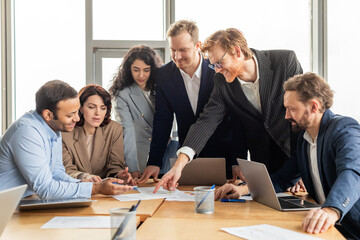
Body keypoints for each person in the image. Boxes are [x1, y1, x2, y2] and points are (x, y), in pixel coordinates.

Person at [154, 28, 303, 193]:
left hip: (295, 161)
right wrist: (179, 164)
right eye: (213, 65)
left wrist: (303, 170)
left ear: (237, 51)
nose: (216, 70)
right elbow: (206, 121)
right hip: (263, 165)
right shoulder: (222, 81)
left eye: (219, 63)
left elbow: (302, 117)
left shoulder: (285, 62)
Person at [215, 73, 360, 238]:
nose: (286, 116)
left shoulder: (344, 129)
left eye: (292, 109)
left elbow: (352, 171)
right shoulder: (304, 140)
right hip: (326, 228)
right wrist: (244, 189)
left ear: (314, 106)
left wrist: (331, 210)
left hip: (352, 229)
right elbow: (282, 179)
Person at [139, 20, 236, 183]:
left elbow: (234, 119)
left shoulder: (218, 70)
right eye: (173, 50)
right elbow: (163, 120)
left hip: (223, 156)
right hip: (186, 159)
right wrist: (154, 161)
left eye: (183, 50)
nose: (177, 56)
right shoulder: (164, 75)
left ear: (198, 45)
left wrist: (236, 160)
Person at [0, 80, 133, 199]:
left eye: (76, 112)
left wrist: (83, 183)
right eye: (71, 115)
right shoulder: (27, 132)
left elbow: (57, 173)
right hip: (6, 206)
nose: (77, 118)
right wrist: (95, 188)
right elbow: (46, 188)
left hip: (25, 199)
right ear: (48, 115)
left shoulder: (54, 128)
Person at [109, 45, 178, 179]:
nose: (141, 75)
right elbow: (127, 130)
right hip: (140, 153)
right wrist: (132, 167)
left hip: (168, 149)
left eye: (146, 70)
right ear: (129, 69)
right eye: (136, 70)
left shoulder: (162, 86)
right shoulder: (122, 94)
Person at [62, 84, 135, 185]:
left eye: (103, 108)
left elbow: (115, 166)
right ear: (80, 108)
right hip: (76, 188)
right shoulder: (64, 133)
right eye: (92, 107)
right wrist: (86, 177)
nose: (98, 113)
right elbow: (66, 170)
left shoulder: (114, 129)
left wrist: (120, 175)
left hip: (106, 191)